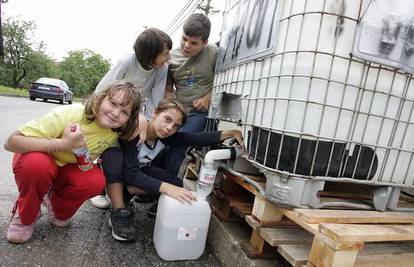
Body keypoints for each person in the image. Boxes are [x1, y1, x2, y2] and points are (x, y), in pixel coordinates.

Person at [4, 80, 141, 244]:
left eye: (124, 111)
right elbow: (11, 142)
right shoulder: (71, 114)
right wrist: (63, 144)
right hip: (37, 162)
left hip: (64, 170)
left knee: (95, 181)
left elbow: (87, 163)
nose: (116, 113)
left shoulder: (114, 132)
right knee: (37, 165)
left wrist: (143, 122)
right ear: (100, 98)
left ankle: (55, 204)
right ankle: (25, 216)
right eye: (113, 103)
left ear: (129, 118)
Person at [102, 98, 243, 242]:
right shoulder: (135, 132)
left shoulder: (165, 137)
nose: (170, 128)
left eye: (176, 125)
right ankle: (118, 210)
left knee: (175, 183)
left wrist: (230, 133)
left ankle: (128, 194)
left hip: (135, 173)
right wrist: (167, 189)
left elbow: (195, 138)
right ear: (155, 113)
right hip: (116, 174)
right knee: (112, 155)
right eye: (167, 119)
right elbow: (131, 174)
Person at [90, 27, 173, 209]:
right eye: (165, 53)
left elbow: (155, 100)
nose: (169, 57)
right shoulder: (127, 62)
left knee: (126, 151)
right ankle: (99, 190)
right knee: (107, 147)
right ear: (150, 54)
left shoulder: (162, 68)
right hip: (114, 110)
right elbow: (101, 90)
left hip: (135, 114)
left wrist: (147, 122)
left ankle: (123, 190)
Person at [164, 13, 218, 177]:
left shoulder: (213, 53)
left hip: (200, 113)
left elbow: (223, 80)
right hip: (179, 112)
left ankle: (170, 187)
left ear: (205, 42)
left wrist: (207, 98)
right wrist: (168, 109)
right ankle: (154, 187)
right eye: (184, 39)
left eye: (193, 43)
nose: (186, 45)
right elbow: (168, 87)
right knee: (164, 141)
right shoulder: (171, 57)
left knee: (180, 142)